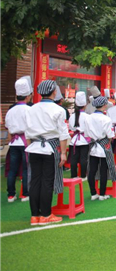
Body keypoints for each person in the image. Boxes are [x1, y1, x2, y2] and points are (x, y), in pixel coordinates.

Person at [24, 80, 69, 226]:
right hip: (50, 147)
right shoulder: (58, 110)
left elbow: (28, 133)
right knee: (47, 181)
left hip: (34, 147)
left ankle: (34, 215)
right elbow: (63, 134)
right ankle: (45, 214)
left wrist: (30, 147)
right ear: (54, 92)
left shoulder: (30, 109)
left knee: (35, 180)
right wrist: (63, 153)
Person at [5, 77, 32, 203]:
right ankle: (25, 194)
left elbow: (8, 127)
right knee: (26, 168)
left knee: (13, 168)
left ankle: (11, 194)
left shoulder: (10, 111)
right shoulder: (29, 110)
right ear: (28, 96)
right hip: (26, 141)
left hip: (14, 142)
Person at [85, 96, 116, 201]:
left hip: (93, 144)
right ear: (104, 105)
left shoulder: (88, 117)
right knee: (104, 170)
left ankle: (93, 193)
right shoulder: (106, 119)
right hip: (104, 144)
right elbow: (110, 135)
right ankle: (102, 194)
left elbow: (86, 133)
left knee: (92, 170)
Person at [68, 92, 90, 180]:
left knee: (73, 159)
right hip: (84, 140)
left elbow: (71, 128)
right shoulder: (87, 116)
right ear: (85, 105)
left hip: (74, 140)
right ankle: (83, 175)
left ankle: (74, 175)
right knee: (83, 159)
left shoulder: (72, 116)